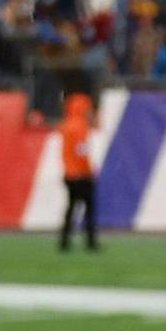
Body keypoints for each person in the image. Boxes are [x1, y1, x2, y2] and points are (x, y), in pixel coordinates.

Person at [56, 90, 102, 251]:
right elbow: (81, 152)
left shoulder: (66, 125)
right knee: (89, 209)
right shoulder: (80, 126)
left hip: (69, 174)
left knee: (70, 208)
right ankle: (91, 242)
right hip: (81, 175)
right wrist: (89, 170)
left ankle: (64, 241)